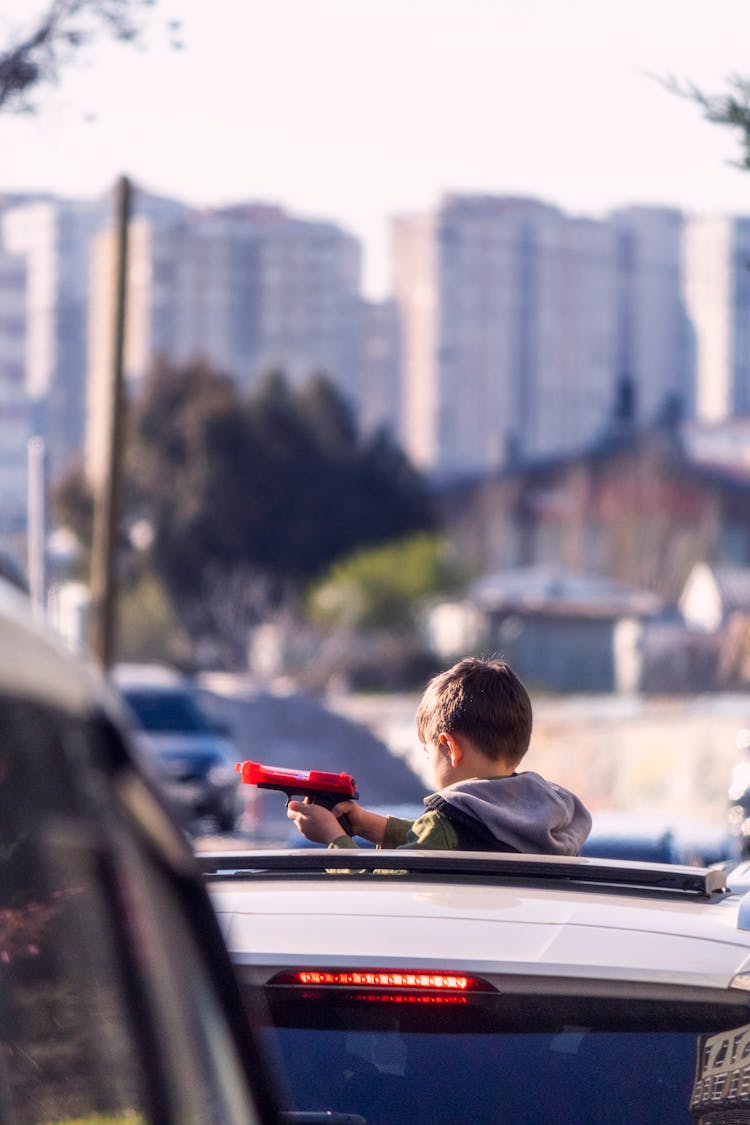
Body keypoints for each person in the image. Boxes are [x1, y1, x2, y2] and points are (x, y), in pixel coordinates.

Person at [287, 656, 592, 853]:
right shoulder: (545, 820)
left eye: (429, 750)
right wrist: (368, 824)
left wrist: (332, 836)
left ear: (451, 748)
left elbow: (377, 891)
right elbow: (455, 840)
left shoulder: (448, 822)